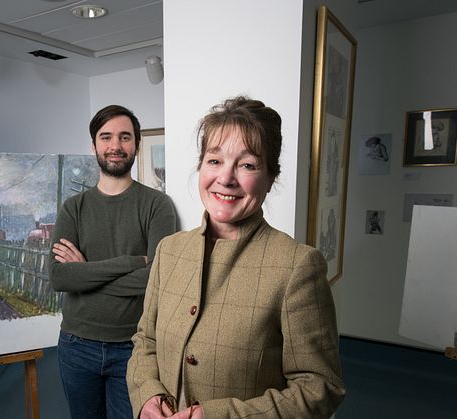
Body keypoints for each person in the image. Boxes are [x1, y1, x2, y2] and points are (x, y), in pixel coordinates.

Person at [127, 96, 345, 418]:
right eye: (214, 160)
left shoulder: (297, 266)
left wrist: (217, 416)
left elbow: (319, 388)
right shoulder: (170, 250)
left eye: (247, 165)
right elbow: (146, 341)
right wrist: (147, 394)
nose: (225, 178)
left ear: (270, 178)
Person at [49, 104, 178, 419]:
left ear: (136, 144)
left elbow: (157, 279)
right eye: (106, 137)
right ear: (94, 146)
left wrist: (85, 272)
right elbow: (60, 278)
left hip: (134, 347)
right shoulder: (73, 208)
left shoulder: (158, 205)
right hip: (76, 344)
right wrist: (132, 261)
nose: (115, 146)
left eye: (124, 137)